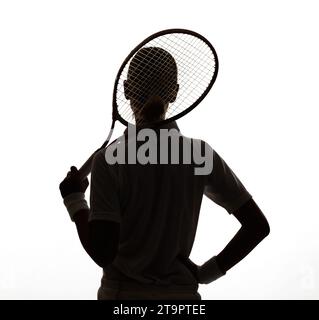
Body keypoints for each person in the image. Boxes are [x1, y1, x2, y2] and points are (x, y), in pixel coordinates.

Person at [59, 47, 270, 300]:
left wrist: (74, 201)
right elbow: (257, 226)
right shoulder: (199, 154)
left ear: (126, 89)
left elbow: (102, 253)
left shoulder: (109, 160)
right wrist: (206, 273)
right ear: (175, 92)